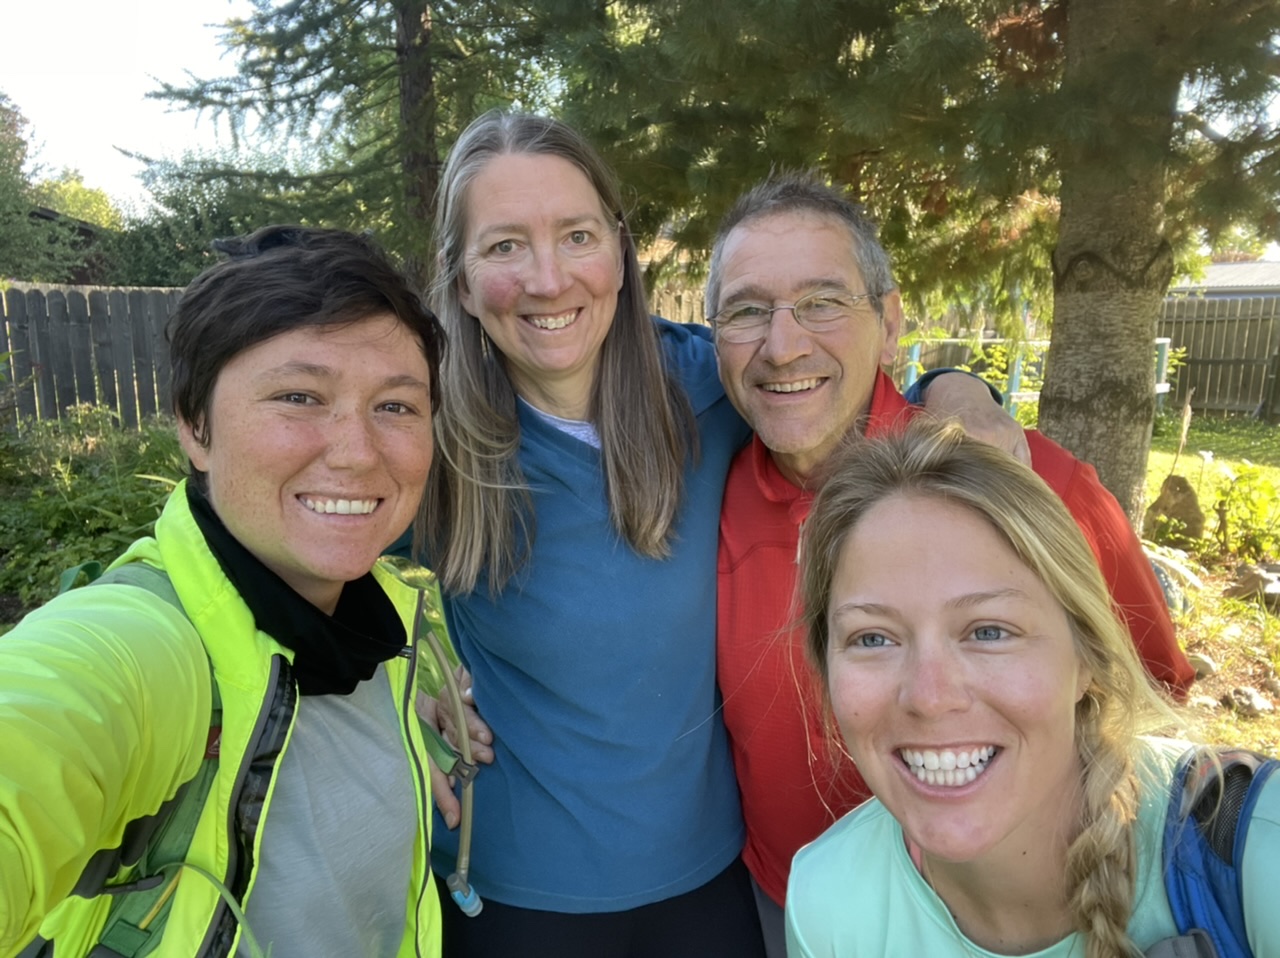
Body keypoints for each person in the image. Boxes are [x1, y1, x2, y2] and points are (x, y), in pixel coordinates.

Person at [398, 111, 1013, 958]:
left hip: (705, 882)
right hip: (511, 890)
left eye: (576, 235)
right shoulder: (426, 436)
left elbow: (839, 372)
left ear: (619, 251)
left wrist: (959, 390)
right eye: (504, 247)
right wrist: (396, 683)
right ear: (461, 281)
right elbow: (321, 582)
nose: (547, 279)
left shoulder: (710, 384)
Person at [708, 172, 1196, 956]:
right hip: (799, 914)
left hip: (1058, 917)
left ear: (892, 321)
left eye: (824, 301)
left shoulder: (1029, 482)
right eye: (746, 310)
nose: (784, 342)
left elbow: (1151, 689)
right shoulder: (704, 491)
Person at [0, 227, 446, 958]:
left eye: (396, 407)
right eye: (300, 396)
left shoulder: (381, 622)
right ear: (195, 426)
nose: (358, 450)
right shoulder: (144, 650)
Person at [787, 420, 1280, 957]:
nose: (929, 697)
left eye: (990, 631)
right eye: (874, 638)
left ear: (1087, 655)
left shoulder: (1256, 847)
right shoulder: (830, 903)